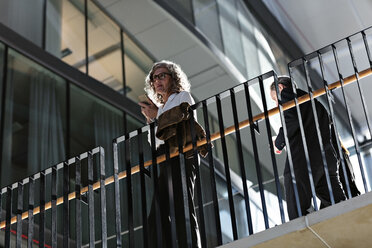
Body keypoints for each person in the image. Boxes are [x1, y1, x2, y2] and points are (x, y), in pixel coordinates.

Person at [139, 60, 206, 248]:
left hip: (183, 155)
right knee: (157, 215)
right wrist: (153, 119)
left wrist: (157, 117)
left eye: (162, 76)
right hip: (165, 158)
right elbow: (155, 141)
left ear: (173, 78)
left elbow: (178, 121)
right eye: (154, 78)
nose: (157, 81)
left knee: (182, 207)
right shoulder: (160, 108)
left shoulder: (182, 96)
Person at [270, 76, 346, 220]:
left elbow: (291, 122)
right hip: (328, 159)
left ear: (280, 88)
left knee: (297, 211)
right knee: (337, 204)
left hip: (304, 160)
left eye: (274, 99)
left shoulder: (287, 94)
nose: (276, 104)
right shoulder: (315, 102)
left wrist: (278, 142)